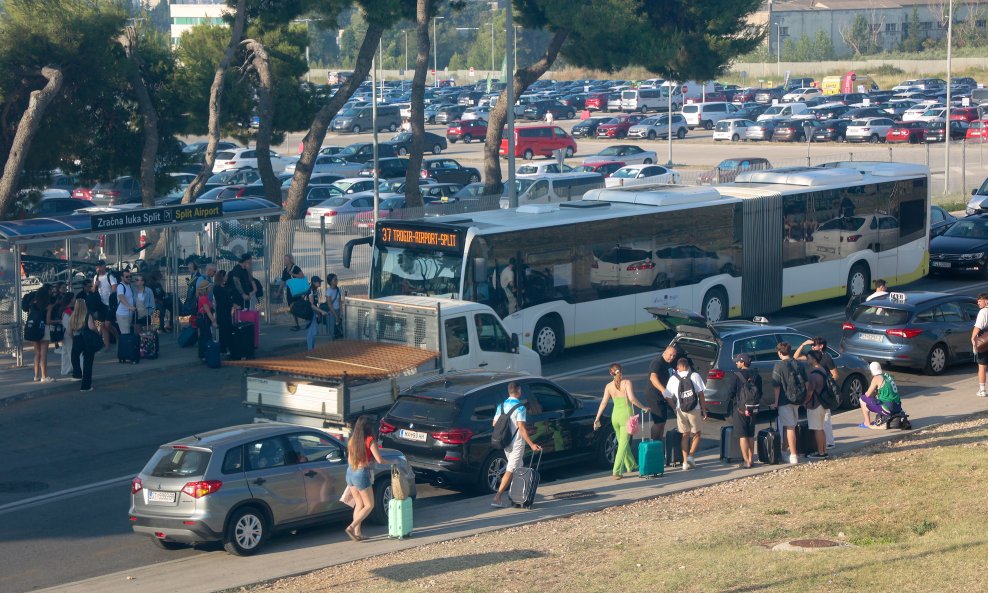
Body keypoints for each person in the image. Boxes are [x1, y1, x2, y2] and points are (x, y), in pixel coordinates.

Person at [594, 363, 649, 479]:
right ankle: (617, 471)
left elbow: (603, 402)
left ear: (611, 373)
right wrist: (643, 407)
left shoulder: (608, 386)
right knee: (623, 444)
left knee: (621, 442)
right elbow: (632, 399)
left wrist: (597, 417)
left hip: (615, 416)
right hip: (626, 416)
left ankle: (631, 465)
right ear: (621, 371)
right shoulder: (627, 383)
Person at [491, 382, 542, 508]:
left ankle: (517, 497)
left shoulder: (501, 406)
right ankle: (497, 498)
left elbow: (494, 424)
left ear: (509, 391)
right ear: (518, 390)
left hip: (505, 442)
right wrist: (531, 444)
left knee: (518, 468)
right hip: (517, 443)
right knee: (511, 469)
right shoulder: (520, 408)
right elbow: (522, 428)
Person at [344, 415, 385, 542]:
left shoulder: (352, 440)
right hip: (361, 473)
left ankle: (358, 533)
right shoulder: (369, 440)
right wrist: (393, 461)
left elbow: (350, 459)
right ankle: (351, 527)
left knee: (359, 504)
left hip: (350, 472)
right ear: (368, 427)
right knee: (369, 505)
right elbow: (379, 460)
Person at [664, 357, 707, 469]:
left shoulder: (673, 378)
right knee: (696, 433)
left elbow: (667, 396)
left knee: (685, 435)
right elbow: (701, 394)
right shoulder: (695, 376)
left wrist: (674, 407)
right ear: (688, 366)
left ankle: (684, 463)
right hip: (695, 408)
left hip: (681, 409)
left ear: (678, 367)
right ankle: (691, 456)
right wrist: (704, 409)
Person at [794, 337, 837, 448]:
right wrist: (803, 344)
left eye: (814, 345)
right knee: (820, 423)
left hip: (824, 393)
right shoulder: (812, 357)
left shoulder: (827, 358)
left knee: (826, 420)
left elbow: (835, 375)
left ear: (821, 346)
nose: (812, 347)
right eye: (811, 345)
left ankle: (830, 442)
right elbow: (795, 357)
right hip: (815, 393)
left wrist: (827, 384)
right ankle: (824, 445)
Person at [772, 341, 807, 465]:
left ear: (780, 353)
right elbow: (806, 382)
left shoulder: (778, 366)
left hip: (784, 400)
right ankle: (783, 451)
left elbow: (776, 386)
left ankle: (793, 455)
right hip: (797, 399)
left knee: (790, 427)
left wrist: (775, 402)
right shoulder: (798, 364)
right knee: (790, 425)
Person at [727, 353, 762, 468]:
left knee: (743, 435)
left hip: (740, 409)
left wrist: (736, 402)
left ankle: (746, 461)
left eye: (738, 361)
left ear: (742, 362)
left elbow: (731, 393)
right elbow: (760, 393)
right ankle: (752, 459)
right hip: (753, 408)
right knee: (751, 434)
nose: (736, 363)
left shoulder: (736, 376)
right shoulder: (757, 375)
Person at [644, 346, 677, 440]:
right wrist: (663, 390)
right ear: (665, 352)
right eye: (670, 355)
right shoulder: (658, 362)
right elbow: (653, 378)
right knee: (658, 422)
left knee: (663, 422)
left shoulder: (669, 363)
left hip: (663, 395)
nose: (671, 357)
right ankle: (653, 443)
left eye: (674, 356)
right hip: (654, 395)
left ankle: (659, 443)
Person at [804, 351, 830, 460]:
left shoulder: (813, 375)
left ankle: (820, 452)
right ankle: (823, 451)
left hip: (815, 404)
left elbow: (810, 393)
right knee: (821, 428)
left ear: (814, 359)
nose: (807, 360)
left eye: (808, 358)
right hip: (824, 403)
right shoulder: (823, 370)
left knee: (817, 429)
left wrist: (805, 402)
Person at [68, 298, 99, 392]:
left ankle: (77, 374)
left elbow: (69, 331)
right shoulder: (87, 315)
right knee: (88, 362)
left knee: (74, 356)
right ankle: (86, 386)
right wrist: (97, 332)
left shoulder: (72, 316)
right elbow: (91, 327)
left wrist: (73, 338)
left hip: (77, 339)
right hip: (87, 339)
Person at [859, 362, 901, 428]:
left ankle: (867, 423)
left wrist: (874, 394)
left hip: (888, 408)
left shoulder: (876, 378)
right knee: (880, 399)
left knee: (862, 399)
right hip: (898, 407)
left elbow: (868, 394)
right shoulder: (887, 376)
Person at [26, 288, 54, 383]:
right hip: (44, 329)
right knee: (43, 353)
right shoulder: (48, 305)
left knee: (37, 353)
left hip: (34, 328)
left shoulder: (32, 303)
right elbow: (47, 321)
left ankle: (36, 376)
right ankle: (44, 376)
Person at [94, 260, 118, 350]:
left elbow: (114, 288)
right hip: (101, 304)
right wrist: (95, 285)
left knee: (108, 324)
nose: (99, 268)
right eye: (97, 266)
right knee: (103, 325)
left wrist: (111, 297)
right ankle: (107, 346)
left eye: (100, 266)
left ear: (104, 266)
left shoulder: (109, 276)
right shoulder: (96, 277)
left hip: (109, 304)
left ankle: (117, 336)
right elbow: (93, 291)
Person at [194, 283, 217, 362]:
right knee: (206, 336)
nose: (210, 288)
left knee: (203, 337)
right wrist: (214, 321)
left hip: (202, 318)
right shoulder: (204, 298)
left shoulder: (203, 297)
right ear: (205, 289)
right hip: (203, 319)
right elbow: (207, 311)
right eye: (209, 287)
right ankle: (205, 354)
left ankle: (203, 354)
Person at [280, 255, 304, 330]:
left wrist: (293, 274)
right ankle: (297, 324)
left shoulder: (295, 268)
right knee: (291, 307)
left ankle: (307, 318)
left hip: (296, 290)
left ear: (290, 260)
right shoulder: (285, 270)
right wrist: (279, 291)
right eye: (284, 260)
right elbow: (283, 281)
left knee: (296, 306)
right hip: (289, 291)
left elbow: (302, 276)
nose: (284, 261)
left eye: (285, 260)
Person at [213, 270, 234, 354]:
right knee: (224, 330)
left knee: (226, 329)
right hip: (223, 311)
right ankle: (223, 348)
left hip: (225, 310)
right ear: (222, 277)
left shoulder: (221, 287)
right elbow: (225, 300)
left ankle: (226, 347)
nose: (227, 278)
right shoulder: (218, 288)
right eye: (225, 276)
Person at [305, 276, 328, 351]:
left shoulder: (315, 291)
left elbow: (315, 304)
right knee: (312, 332)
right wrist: (321, 311)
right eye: (319, 282)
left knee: (314, 331)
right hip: (309, 313)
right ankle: (310, 350)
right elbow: (311, 305)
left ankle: (311, 348)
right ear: (314, 283)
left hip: (313, 313)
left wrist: (318, 313)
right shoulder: (311, 291)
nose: (320, 283)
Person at [972, 293, 988, 398]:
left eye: (980, 301)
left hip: (984, 342)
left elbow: (978, 327)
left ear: (987, 301)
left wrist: (973, 339)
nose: (978, 303)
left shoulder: (983, 312)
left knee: (982, 366)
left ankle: (982, 390)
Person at [115, 270, 137, 335]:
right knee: (125, 333)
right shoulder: (120, 286)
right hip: (122, 314)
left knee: (128, 332)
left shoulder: (129, 286)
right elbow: (121, 297)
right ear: (122, 277)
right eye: (127, 277)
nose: (129, 278)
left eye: (130, 276)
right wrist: (129, 306)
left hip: (129, 313)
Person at [60, 293, 76, 377]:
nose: (75, 299)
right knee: (71, 351)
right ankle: (75, 368)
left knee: (65, 352)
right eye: (74, 298)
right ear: (70, 299)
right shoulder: (68, 311)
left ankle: (65, 369)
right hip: (68, 333)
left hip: (64, 333)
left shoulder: (64, 309)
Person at [323, 273, 344, 338]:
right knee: (332, 331)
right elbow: (329, 305)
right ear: (330, 282)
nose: (337, 281)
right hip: (332, 312)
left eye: (337, 279)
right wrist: (335, 316)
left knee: (338, 330)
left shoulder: (337, 289)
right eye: (335, 280)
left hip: (337, 311)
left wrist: (341, 312)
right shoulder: (329, 291)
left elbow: (339, 301)